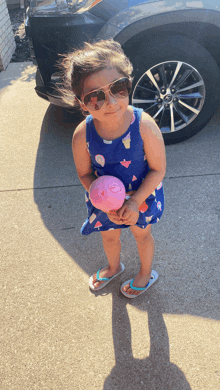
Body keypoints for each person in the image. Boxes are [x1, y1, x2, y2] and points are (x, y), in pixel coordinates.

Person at [59, 39, 166, 298]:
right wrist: (107, 204)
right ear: (81, 103)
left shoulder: (144, 125)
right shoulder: (82, 134)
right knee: (109, 237)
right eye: (95, 96)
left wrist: (133, 202)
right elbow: (85, 174)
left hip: (142, 196)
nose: (110, 102)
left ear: (128, 83)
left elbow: (158, 169)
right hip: (105, 201)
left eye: (118, 88)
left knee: (142, 236)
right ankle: (113, 266)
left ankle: (145, 272)